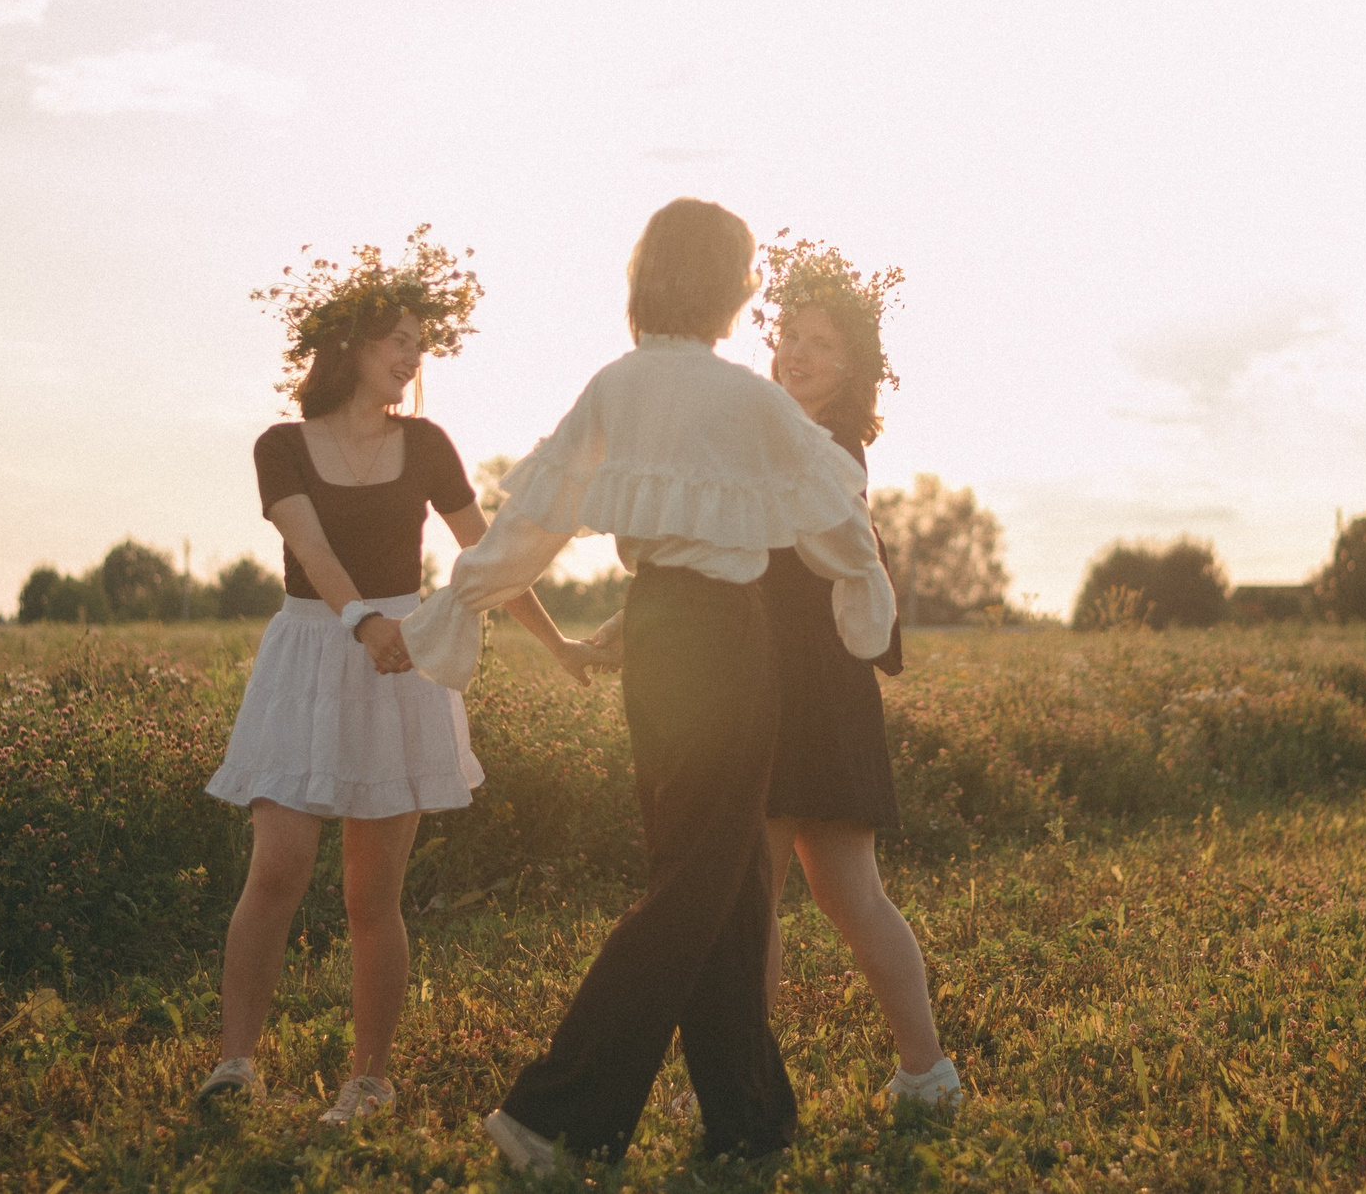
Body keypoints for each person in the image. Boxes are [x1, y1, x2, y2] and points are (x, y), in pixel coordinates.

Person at [395, 199, 895, 1172]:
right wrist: (863, 594)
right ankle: (555, 1114)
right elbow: (836, 514)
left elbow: (532, 513)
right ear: (729, 284)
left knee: (732, 880)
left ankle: (748, 1116)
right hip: (721, 633)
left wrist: (462, 597)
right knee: (700, 881)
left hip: (659, 630)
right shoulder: (745, 401)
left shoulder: (616, 385)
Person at [197, 231, 604, 1124]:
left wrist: (560, 643)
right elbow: (309, 546)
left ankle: (369, 1078)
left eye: (421, 342)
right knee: (278, 868)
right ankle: (235, 1061)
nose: (414, 357)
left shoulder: (426, 445)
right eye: (399, 340)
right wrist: (360, 621)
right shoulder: (282, 446)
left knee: (371, 893)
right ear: (348, 346)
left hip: (403, 659)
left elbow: (490, 557)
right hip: (313, 651)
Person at [750, 238, 959, 1114]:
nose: (799, 352)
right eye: (791, 332)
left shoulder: (826, 444)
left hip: (807, 686)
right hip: (793, 683)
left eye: (822, 343)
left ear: (855, 367)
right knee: (798, 889)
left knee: (798, 894)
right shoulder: (781, 427)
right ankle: (922, 1071)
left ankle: (920, 1069)